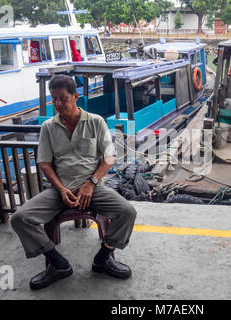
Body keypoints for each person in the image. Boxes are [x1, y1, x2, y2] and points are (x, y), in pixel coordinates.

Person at [11, 75, 137, 290]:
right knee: (19, 218)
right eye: (54, 99)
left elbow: (109, 158)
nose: (58, 104)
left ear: (76, 96)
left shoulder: (96, 122)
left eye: (63, 98)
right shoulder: (49, 127)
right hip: (60, 191)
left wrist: (91, 182)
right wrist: (60, 189)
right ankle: (58, 263)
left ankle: (104, 257)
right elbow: (45, 163)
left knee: (127, 212)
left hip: (93, 188)